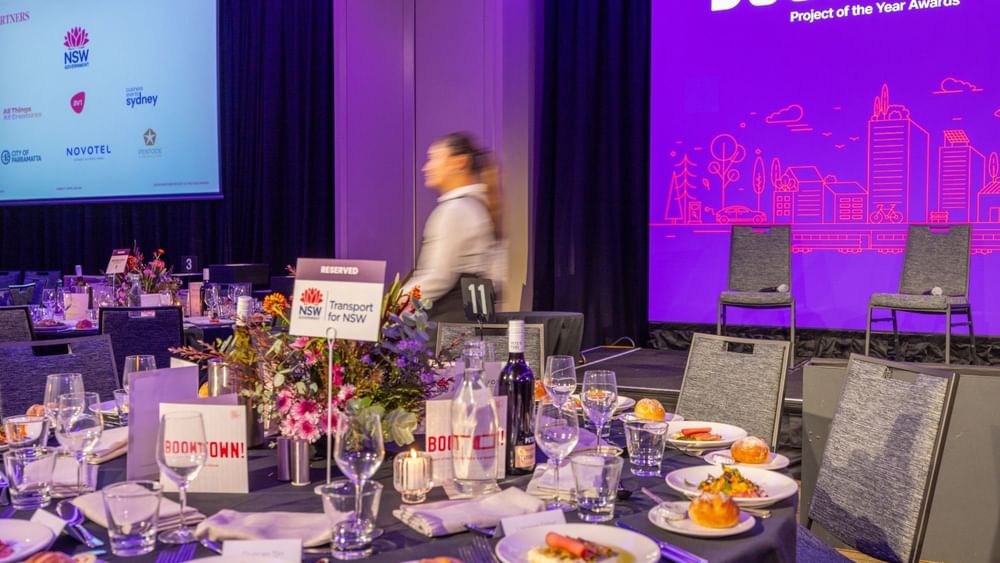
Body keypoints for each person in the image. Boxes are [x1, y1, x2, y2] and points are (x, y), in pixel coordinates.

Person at [403, 132, 503, 322]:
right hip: (474, 324)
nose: (426, 167)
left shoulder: (455, 210)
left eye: (434, 158)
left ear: (459, 162)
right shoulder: (481, 206)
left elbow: (438, 277)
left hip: (449, 327)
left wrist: (396, 303)